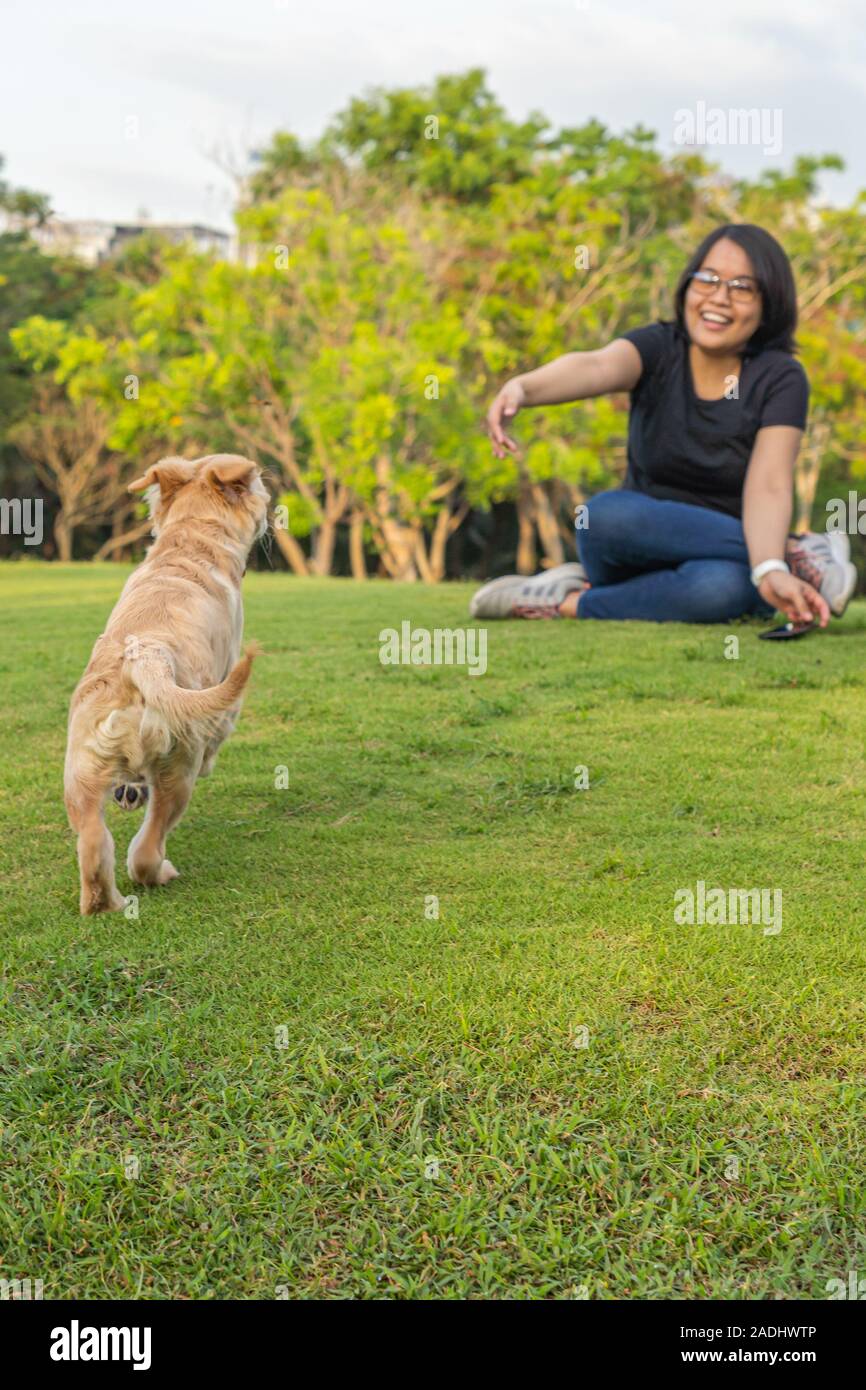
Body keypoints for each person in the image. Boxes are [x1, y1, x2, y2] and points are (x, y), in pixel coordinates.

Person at [471, 224, 856, 626]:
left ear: (768, 304)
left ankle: (567, 601)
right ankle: (794, 555)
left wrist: (767, 568)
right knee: (601, 516)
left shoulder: (780, 377)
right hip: (631, 545)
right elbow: (597, 365)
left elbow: (769, 483)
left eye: (742, 287)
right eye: (707, 279)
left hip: (724, 567)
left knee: (722, 589)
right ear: (688, 285)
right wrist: (523, 388)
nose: (719, 297)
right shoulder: (659, 348)